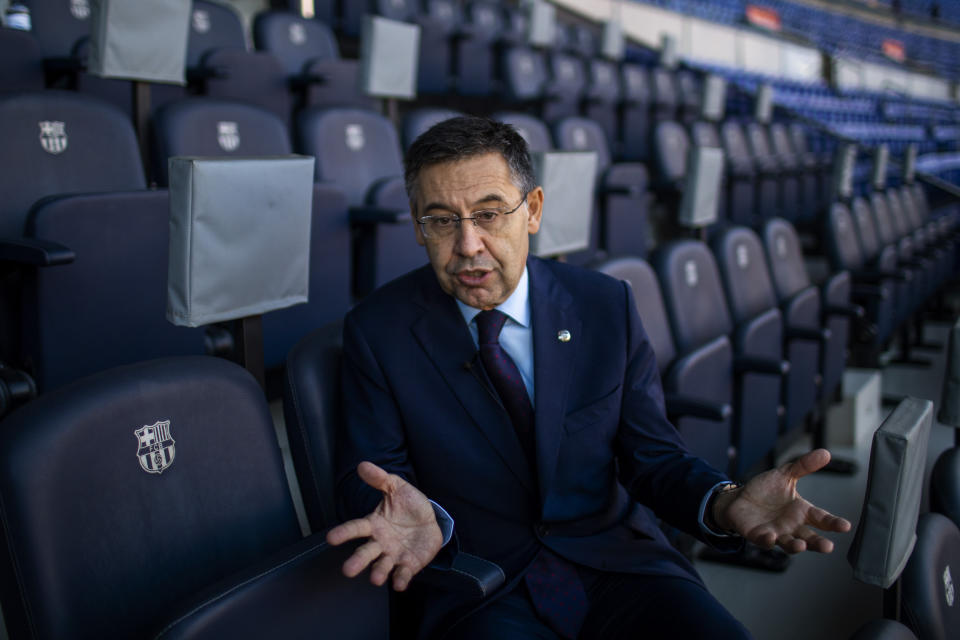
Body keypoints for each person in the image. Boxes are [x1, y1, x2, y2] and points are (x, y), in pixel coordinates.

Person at [327, 116, 851, 640]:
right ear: (418, 224)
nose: (468, 244)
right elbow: (368, 475)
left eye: (489, 214)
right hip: (481, 586)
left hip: (619, 565)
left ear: (531, 210)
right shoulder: (379, 330)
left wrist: (723, 501)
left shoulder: (605, 305)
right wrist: (428, 519)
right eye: (441, 221)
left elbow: (654, 457)